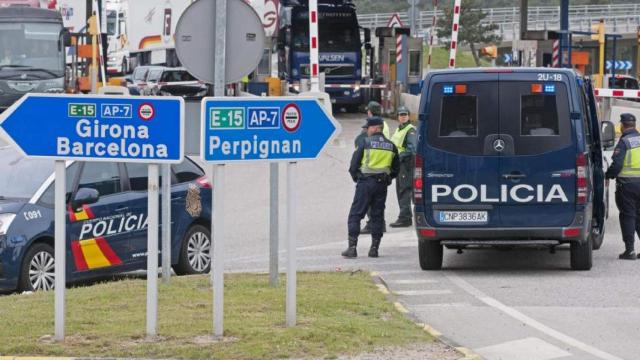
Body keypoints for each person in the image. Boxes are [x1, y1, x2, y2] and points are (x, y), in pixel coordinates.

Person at [343, 116, 399, 258]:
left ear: (375, 128)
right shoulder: (391, 146)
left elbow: (353, 166)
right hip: (382, 186)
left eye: (368, 128)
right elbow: (395, 170)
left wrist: (359, 179)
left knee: (356, 214)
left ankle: (352, 248)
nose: (366, 130)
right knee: (377, 216)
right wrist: (387, 179)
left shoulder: (365, 143)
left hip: (365, 184)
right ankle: (374, 249)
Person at [605, 113, 640, 260]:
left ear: (622, 125)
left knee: (628, 216)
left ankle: (630, 250)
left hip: (627, 185)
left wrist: (608, 175)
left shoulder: (624, 142)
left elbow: (617, 164)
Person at [355, 101, 390, 234]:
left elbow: (362, 142)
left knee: (370, 200)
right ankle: (379, 223)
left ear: (370, 111)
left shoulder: (374, 126)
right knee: (377, 201)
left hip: (372, 168)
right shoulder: (382, 124)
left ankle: (375, 224)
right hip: (381, 168)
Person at [389, 106, 417, 227]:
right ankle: (404, 216)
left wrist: (398, 157)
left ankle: (405, 218)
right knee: (400, 190)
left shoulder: (410, 130)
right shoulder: (399, 129)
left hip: (406, 164)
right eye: (401, 115)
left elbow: (412, 150)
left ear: (409, 116)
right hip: (400, 165)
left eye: (405, 114)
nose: (403, 116)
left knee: (404, 190)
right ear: (398, 117)